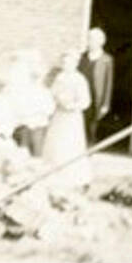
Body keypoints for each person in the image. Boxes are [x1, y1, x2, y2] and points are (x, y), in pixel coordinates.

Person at [43, 50, 92, 184]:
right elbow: (51, 94)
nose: (66, 64)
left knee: (70, 144)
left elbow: (86, 101)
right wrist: (57, 100)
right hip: (59, 115)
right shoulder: (59, 78)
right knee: (55, 144)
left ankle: (70, 176)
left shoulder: (79, 79)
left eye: (69, 62)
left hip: (72, 118)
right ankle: (53, 174)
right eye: (64, 62)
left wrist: (71, 105)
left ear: (75, 63)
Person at [2, 49, 55, 156]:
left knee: (37, 152)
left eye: (37, 77)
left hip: (38, 126)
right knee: (22, 152)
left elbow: (49, 109)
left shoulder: (44, 92)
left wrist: (37, 115)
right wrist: (24, 117)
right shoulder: (24, 90)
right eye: (32, 77)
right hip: (24, 126)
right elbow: (19, 108)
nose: (35, 79)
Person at [77, 28, 114, 143]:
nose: (90, 42)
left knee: (92, 125)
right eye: (89, 39)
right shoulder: (82, 57)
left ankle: (90, 147)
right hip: (82, 95)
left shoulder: (106, 60)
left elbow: (108, 83)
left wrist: (106, 104)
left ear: (101, 42)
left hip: (96, 97)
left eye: (93, 39)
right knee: (80, 123)